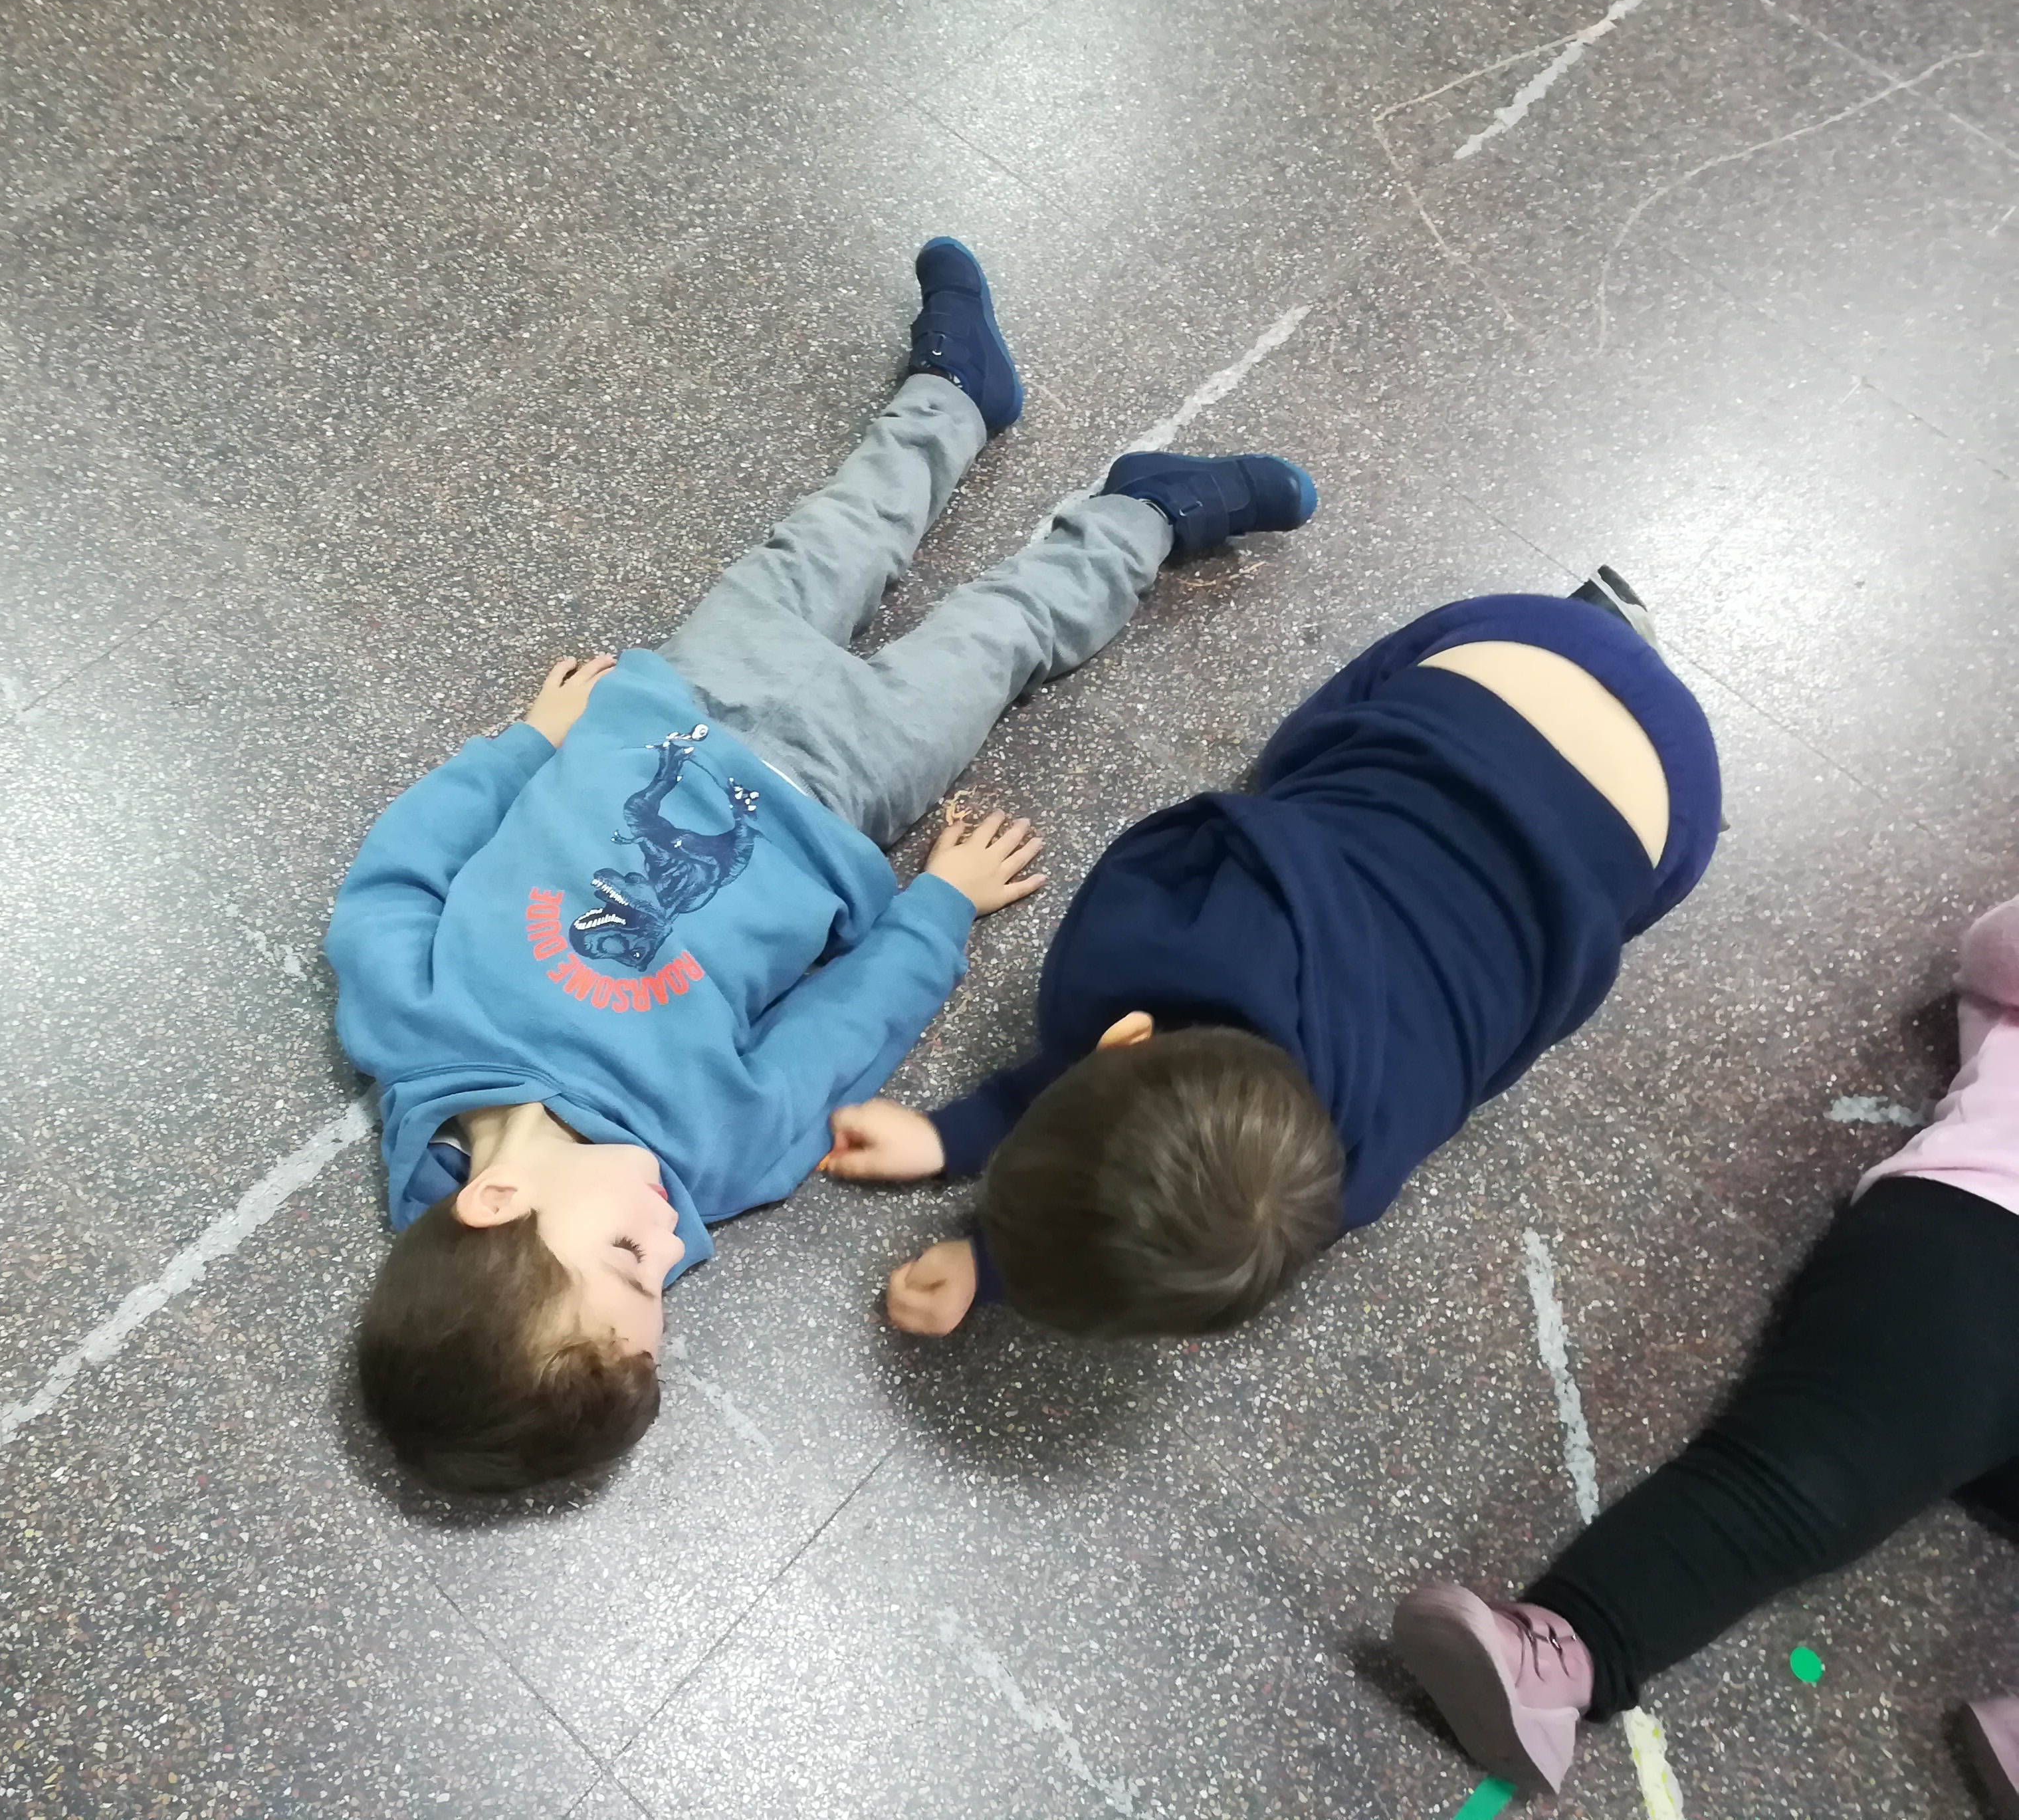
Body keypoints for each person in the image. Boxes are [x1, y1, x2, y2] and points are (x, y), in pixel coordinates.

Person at [328, 239, 1317, 1492]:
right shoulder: (714, 1157)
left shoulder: (410, 1028)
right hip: (843, 788)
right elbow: (839, 1038)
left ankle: (955, 395)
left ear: (490, 1205)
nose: (669, 1249)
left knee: (839, 533)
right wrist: (938, 908)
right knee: (1000, 636)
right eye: (661, 1289)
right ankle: (1148, 517)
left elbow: (405, 869)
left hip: (677, 704)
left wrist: (529, 743)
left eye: (628, 1264)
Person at [820, 571, 1722, 1341]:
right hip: (1535, 670)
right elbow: (1110, 1094)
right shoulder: (1145, 936)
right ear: (1126, 1035)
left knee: (1556, 930)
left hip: (1653, 814)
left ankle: (1619, 658)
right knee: (1292, 761)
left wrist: (983, 1227)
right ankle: (1615, 648)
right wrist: (958, 1163)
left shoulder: (1357, 1176)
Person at [1390, 891, 2019, 1809]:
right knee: (1806, 1476)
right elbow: (1997, 950)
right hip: (1993, 1231)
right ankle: (1559, 1655)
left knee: (1822, 1473)